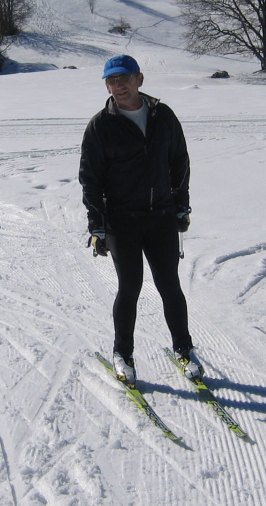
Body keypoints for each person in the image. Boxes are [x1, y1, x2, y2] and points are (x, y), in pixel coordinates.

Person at [79, 54, 203, 386]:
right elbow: (90, 179)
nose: (118, 86)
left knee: (169, 286)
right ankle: (123, 354)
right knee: (130, 287)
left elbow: (179, 162)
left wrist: (181, 207)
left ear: (139, 79)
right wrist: (97, 225)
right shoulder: (100, 126)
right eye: (111, 81)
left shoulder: (163, 116)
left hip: (161, 216)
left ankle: (185, 349)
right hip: (123, 221)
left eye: (124, 78)